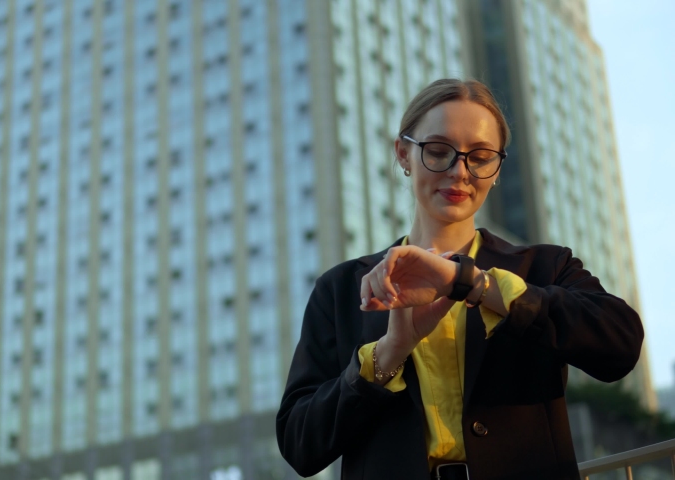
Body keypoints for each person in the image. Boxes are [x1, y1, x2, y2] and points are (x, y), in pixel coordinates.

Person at [275, 78, 644, 480]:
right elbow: (300, 444)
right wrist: (389, 353)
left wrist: (476, 285)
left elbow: (620, 344)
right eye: (438, 151)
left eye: (481, 156)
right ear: (403, 154)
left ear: (498, 168)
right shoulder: (342, 288)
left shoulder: (544, 267)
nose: (459, 171)